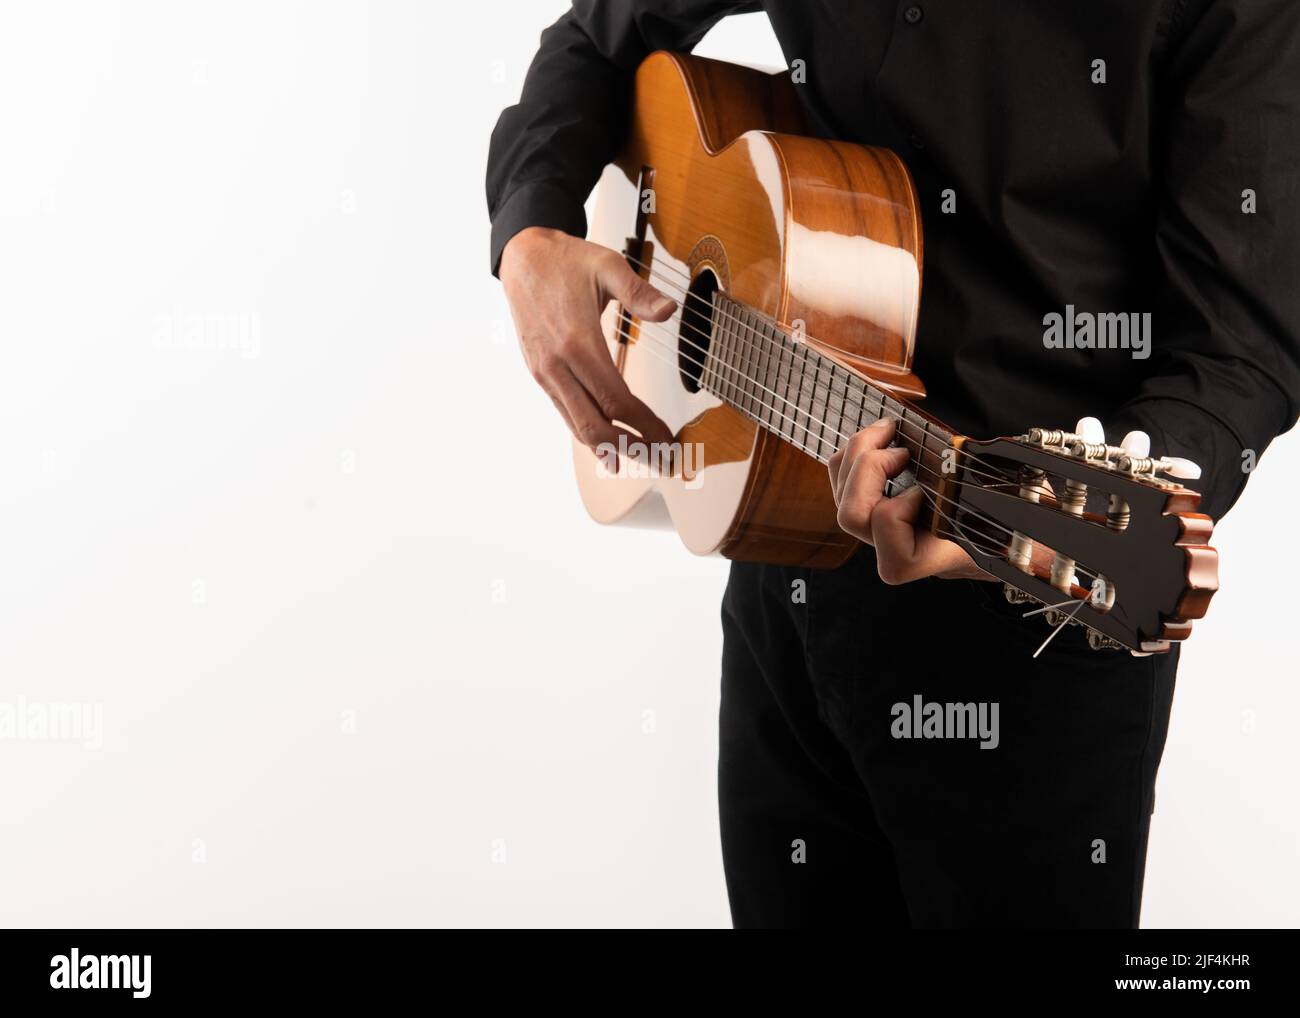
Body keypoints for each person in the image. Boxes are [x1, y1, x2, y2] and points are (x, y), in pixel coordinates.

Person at [486, 1, 1300, 927]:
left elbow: (1241, 356)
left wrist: (1032, 517)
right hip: (782, 565)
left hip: (1031, 628)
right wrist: (528, 235)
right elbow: (593, 41)